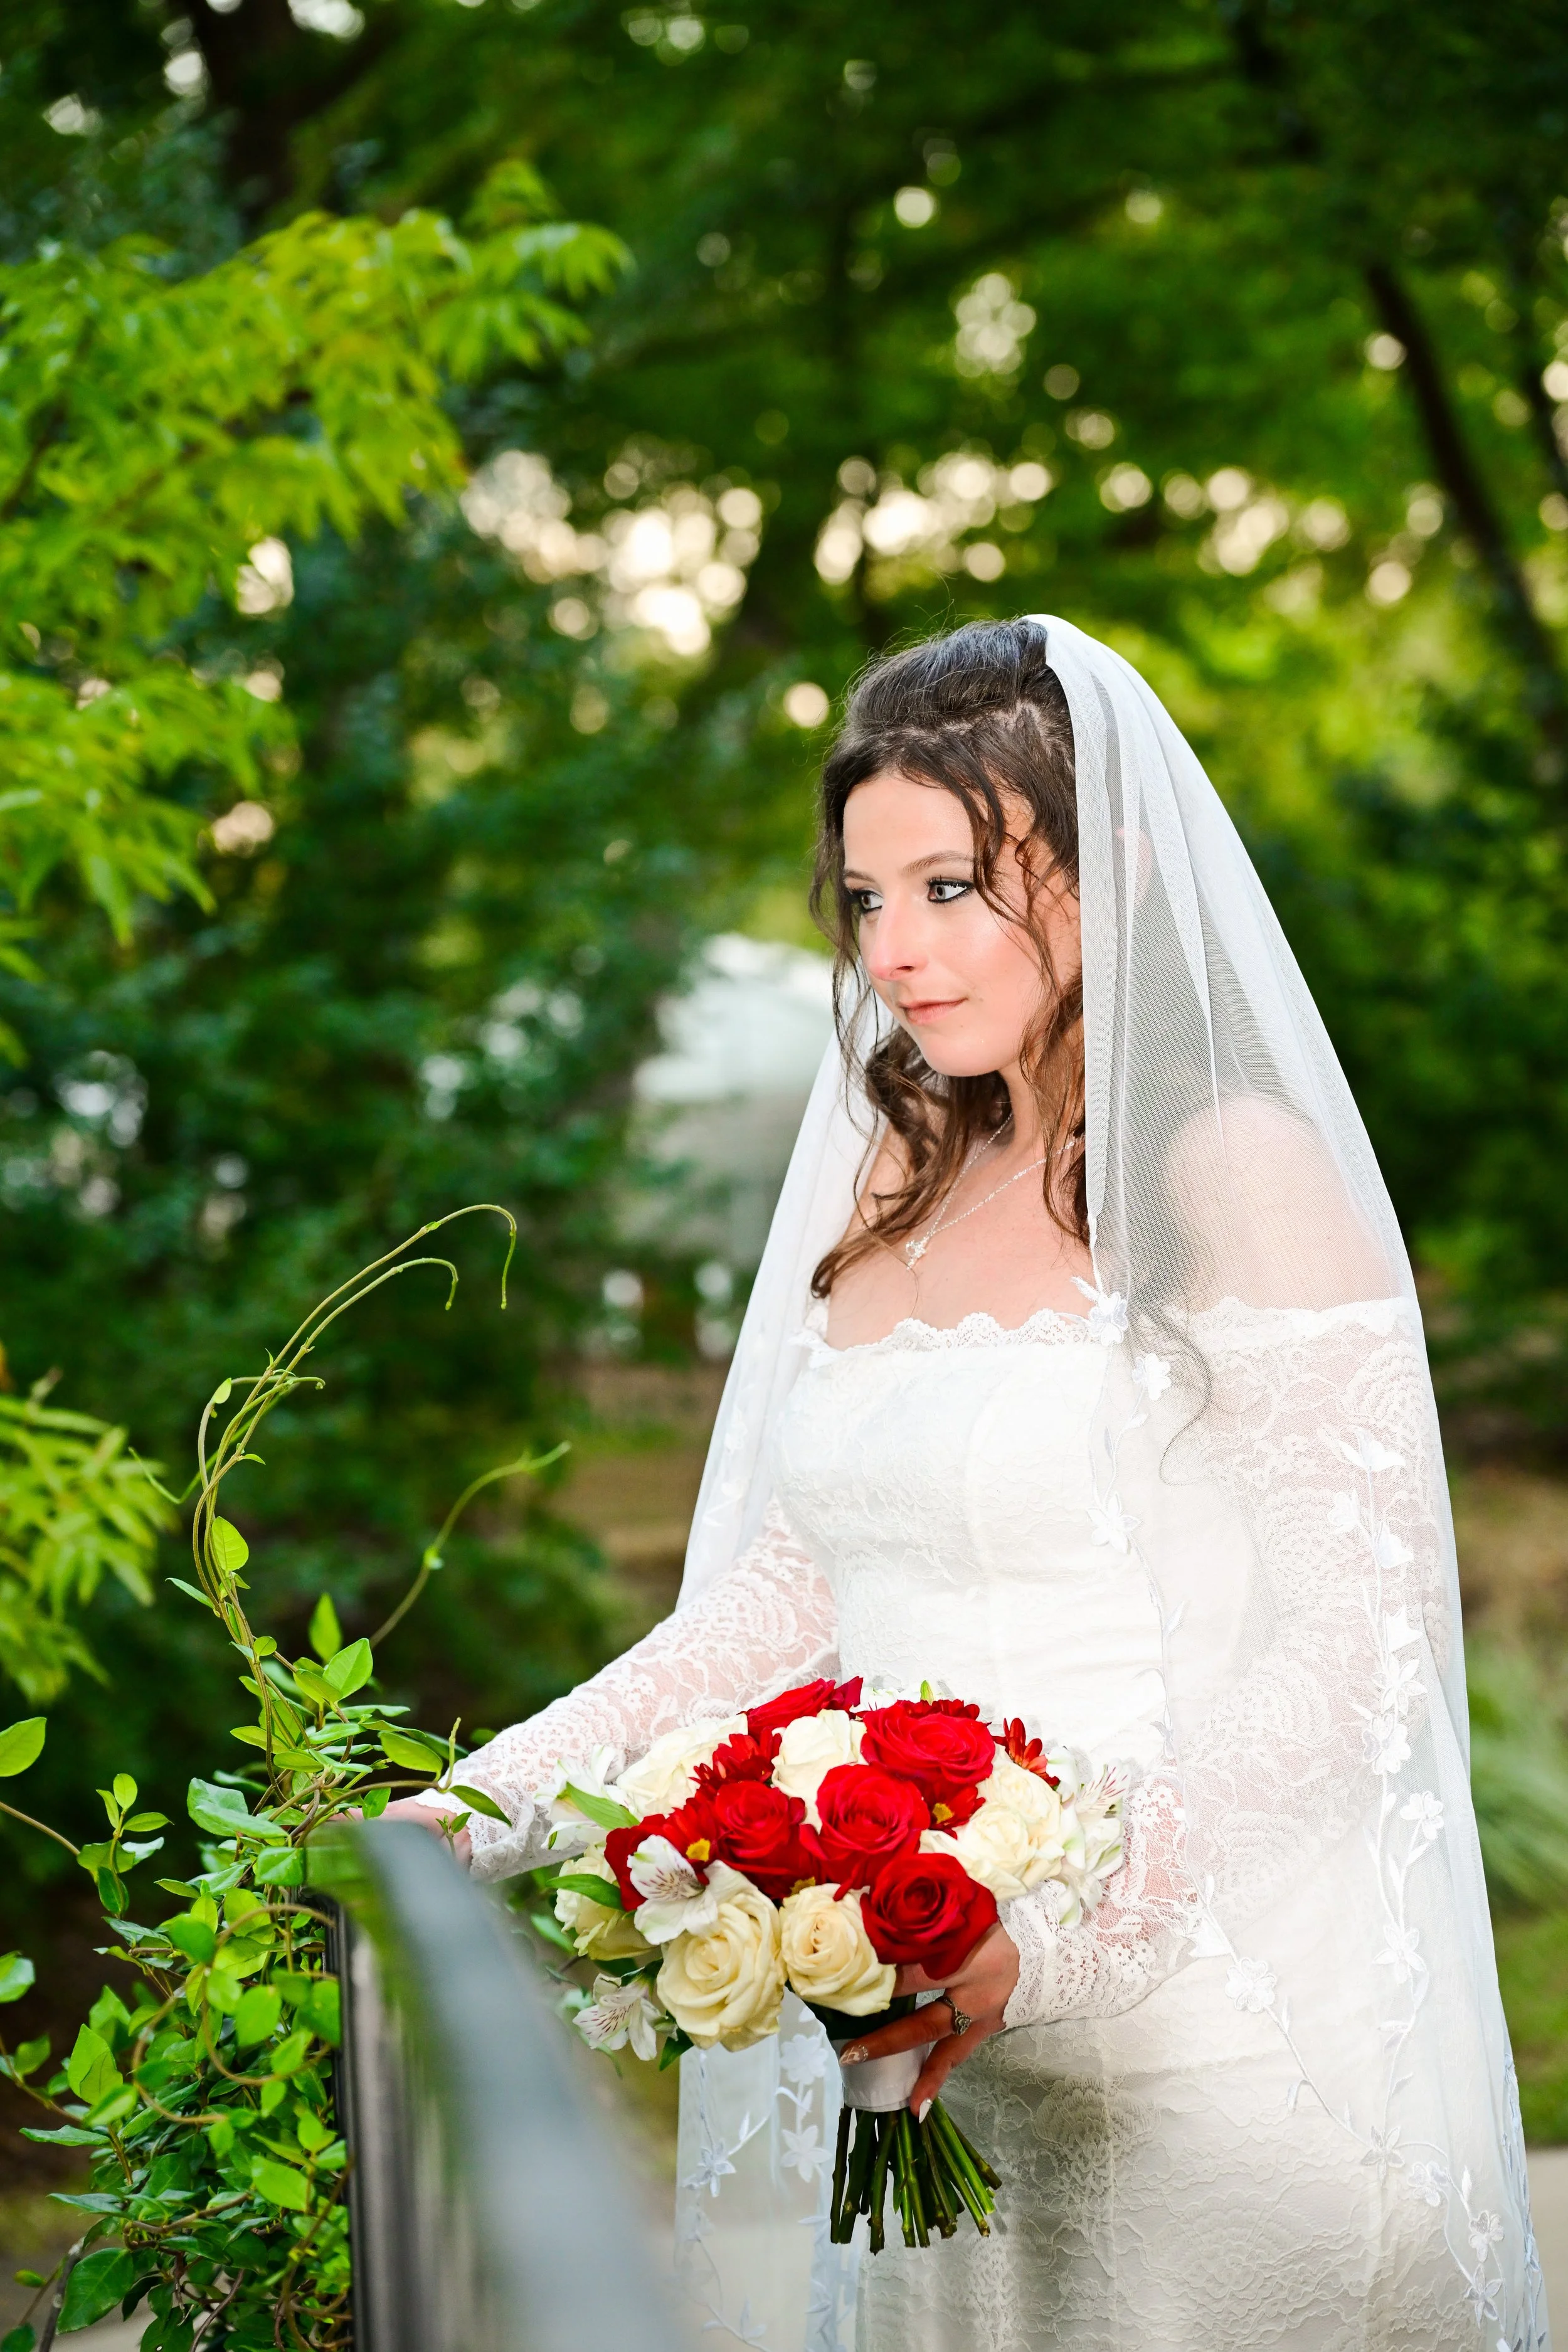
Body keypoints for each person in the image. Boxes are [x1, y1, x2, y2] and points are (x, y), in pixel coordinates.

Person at [384, 617, 1548, 2352]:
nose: (900, 952)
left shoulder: (1238, 1174)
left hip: (1211, 2063)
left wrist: (1042, 1939)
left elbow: (1349, 1663)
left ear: (1110, 869)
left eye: (952, 886)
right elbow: (773, 1614)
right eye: (866, 899)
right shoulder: (898, 1176)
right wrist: (469, 1813)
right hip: (930, 2061)